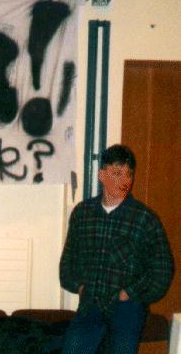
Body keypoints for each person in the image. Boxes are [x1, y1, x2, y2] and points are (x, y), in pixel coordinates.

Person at [59, 144, 173, 354]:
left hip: (126, 308)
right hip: (90, 304)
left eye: (129, 174)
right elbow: (67, 262)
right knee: (72, 349)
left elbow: (163, 270)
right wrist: (80, 287)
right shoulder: (82, 214)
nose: (125, 180)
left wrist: (130, 293)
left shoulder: (144, 219)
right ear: (102, 175)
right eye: (117, 173)